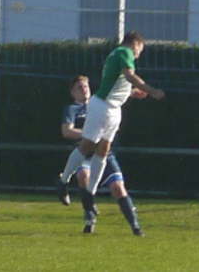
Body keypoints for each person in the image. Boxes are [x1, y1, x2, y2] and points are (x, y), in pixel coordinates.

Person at [57, 31, 164, 225]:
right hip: (103, 105)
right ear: (136, 44)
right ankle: (63, 181)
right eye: (141, 49)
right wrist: (151, 90)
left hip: (114, 108)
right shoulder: (125, 52)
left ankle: (90, 193)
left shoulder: (118, 54)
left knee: (103, 151)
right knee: (88, 145)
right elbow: (129, 75)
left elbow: (116, 83)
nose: (139, 54)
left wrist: (132, 93)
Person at [57, 75, 144, 235]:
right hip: (86, 154)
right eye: (79, 88)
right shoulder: (72, 109)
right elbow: (67, 131)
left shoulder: (98, 104)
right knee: (83, 175)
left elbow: (117, 97)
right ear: (72, 92)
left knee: (118, 188)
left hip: (104, 153)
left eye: (86, 86)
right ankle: (89, 217)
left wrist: (133, 91)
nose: (84, 90)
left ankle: (135, 226)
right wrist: (90, 135)